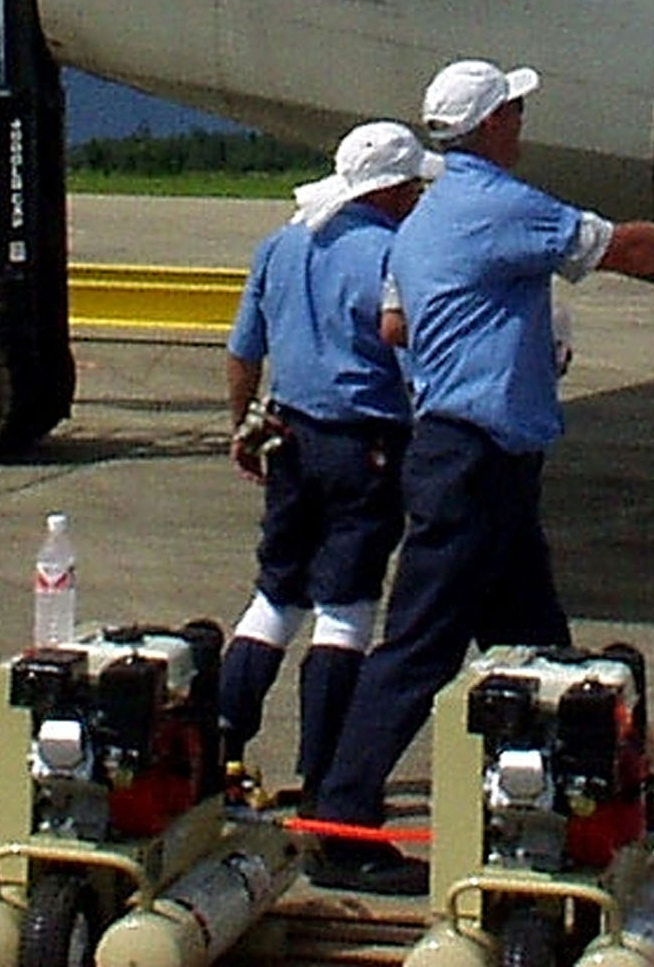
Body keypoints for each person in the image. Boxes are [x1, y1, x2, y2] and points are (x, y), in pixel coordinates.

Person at [305, 58, 654, 893]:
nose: (522, 123)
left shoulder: (423, 220)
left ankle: (562, 803)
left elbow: (395, 324)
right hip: (475, 458)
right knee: (418, 650)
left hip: (471, 453)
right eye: (514, 111)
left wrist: (484, 324)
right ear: (489, 125)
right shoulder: (499, 203)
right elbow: (624, 250)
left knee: (538, 651)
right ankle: (341, 823)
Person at [216, 119, 439, 798]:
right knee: (346, 609)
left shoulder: (282, 244)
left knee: (276, 593)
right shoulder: (395, 255)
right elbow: (413, 357)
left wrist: (243, 425)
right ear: (395, 189)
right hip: (362, 442)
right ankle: (323, 771)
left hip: (289, 432)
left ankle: (221, 740)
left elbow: (243, 349)